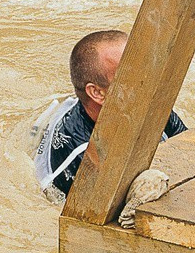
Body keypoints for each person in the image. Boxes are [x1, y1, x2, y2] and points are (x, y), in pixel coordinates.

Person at [34, 29, 186, 198]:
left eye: (144, 65)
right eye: (131, 73)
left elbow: (188, 149)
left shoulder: (141, 101)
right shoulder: (87, 157)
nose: (147, 78)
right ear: (98, 93)